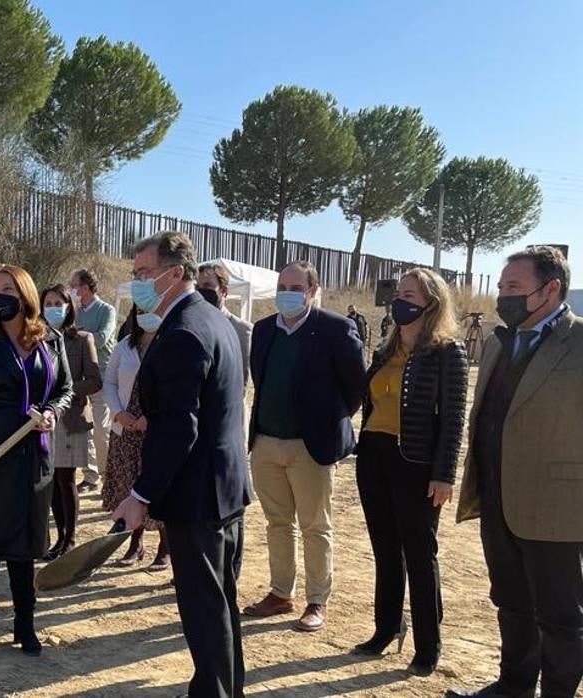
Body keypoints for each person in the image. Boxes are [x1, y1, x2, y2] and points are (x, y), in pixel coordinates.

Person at [110, 232, 250, 698]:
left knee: (205, 612)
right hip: (224, 488)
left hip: (196, 497)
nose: (137, 283)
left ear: (175, 273)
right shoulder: (211, 318)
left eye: (144, 274)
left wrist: (140, 494)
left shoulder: (182, 332)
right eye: (134, 275)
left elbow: (179, 430)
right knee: (221, 605)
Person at [446, 246, 583, 698]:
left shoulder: (579, 341)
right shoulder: (498, 341)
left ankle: (558, 692)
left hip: (557, 507)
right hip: (496, 497)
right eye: (501, 286)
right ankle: (513, 686)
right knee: (511, 603)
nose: (502, 297)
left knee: (561, 615)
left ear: (551, 290)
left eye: (513, 288)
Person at [0, 265, 72, 660]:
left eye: (8, 288)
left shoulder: (49, 339)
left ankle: (25, 625)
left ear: (25, 294)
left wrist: (53, 411)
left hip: (33, 456)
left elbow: (65, 389)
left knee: (25, 547)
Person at [353, 269, 467, 677]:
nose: (399, 300)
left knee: (419, 554)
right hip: (373, 456)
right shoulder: (385, 350)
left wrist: (445, 474)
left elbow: (454, 419)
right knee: (385, 548)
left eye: (409, 294)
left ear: (431, 302)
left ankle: (427, 645)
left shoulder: (447, 352)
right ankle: (385, 630)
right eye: (398, 292)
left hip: (416, 463)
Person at [243, 260, 366, 632]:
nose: (286, 293)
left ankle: (317, 600)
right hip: (266, 442)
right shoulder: (264, 330)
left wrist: (325, 421)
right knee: (277, 523)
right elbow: (261, 380)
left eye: (295, 287)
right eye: (282, 286)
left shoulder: (335, 329)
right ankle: (281, 593)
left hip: (310, 446)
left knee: (315, 525)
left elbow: (356, 389)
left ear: (312, 291)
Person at [101, 306, 170, 571]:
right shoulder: (124, 346)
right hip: (125, 430)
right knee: (127, 486)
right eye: (141, 310)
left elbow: (174, 388)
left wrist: (151, 417)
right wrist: (118, 413)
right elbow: (109, 383)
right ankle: (135, 544)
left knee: (157, 487)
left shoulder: (171, 344)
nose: (146, 314)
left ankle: (165, 548)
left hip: (155, 430)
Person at [40, 283, 101, 560]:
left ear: (68, 306)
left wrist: (65, 389)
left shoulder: (82, 339)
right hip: (44, 419)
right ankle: (59, 536)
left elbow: (94, 381)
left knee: (67, 480)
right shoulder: (38, 339)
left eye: (58, 303)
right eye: (48, 303)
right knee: (50, 481)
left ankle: (71, 538)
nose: (53, 308)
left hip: (71, 418)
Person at [69, 269, 117, 494]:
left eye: (74, 285)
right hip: (78, 378)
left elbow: (101, 338)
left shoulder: (107, 310)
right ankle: (90, 476)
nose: (72, 290)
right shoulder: (75, 313)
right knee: (83, 428)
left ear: (85, 287)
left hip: (102, 375)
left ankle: (109, 474)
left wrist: (79, 337)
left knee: (101, 428)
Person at [198, 262, 254, 384]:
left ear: (223, 290)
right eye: (198, 287)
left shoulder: (242, 329)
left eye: (207, 286)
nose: (201, 291)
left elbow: (241, 379)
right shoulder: (191, 323)